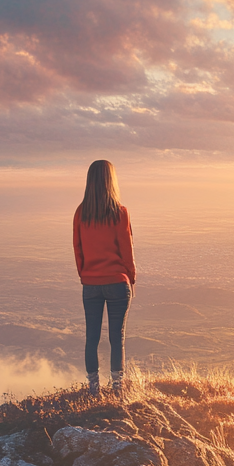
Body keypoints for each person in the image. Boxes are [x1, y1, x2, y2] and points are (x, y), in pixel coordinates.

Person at [73, 159, 136, 396]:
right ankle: (117, 388)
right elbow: (126, 250)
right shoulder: (120, 213)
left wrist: (85, 275)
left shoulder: (81, 213)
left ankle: (93, 389)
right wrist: (130, 277)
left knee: (92, 337)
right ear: (111, 181)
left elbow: (77, 248)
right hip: (118, 283)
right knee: (116, 337)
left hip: (90, 284)